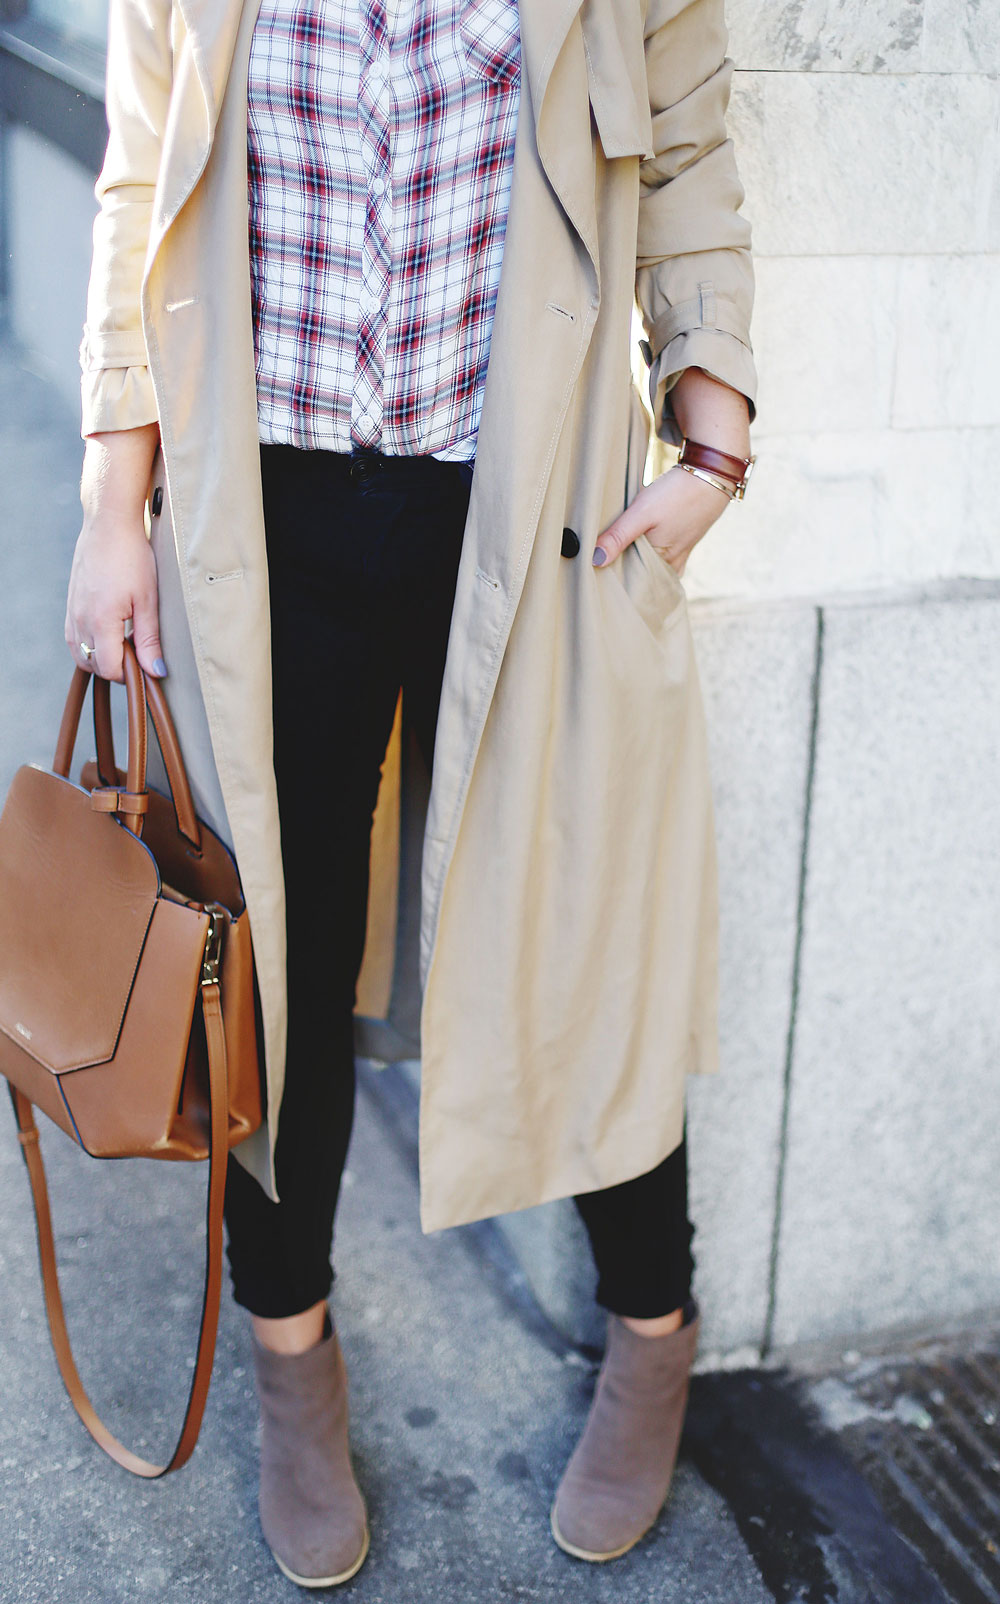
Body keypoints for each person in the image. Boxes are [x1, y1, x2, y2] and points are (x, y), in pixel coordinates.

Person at [66, 0, 758, 1583]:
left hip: (532, 499)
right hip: (265, 510)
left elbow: (697, 139)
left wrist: (712, 443)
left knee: (572, 937)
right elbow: (136, 180)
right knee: (270, 979)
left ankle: (654, 1333)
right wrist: (114, 505)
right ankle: (292, 1361)